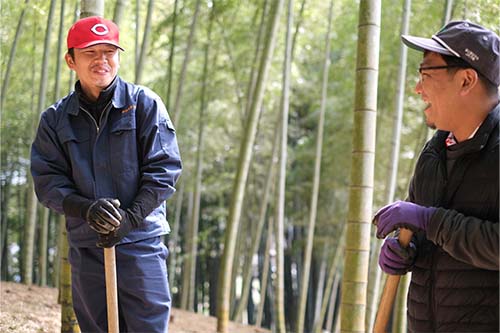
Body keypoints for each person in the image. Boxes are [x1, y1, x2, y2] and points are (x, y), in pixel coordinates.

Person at [31, 16, 182, 332]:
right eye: (90, 52)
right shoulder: (56, 120)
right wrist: (85, 209)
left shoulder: (144, 105)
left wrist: (129, 219)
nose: (102, 60)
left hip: (141, 242)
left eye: (109, 52)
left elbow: (164, 171)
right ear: (71, 60)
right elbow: (47, 182)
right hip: (87, 245)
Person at [373, 21, 499, 332]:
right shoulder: (434, 153)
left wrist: (430, 221)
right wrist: (408, 250)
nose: (417, 88)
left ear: (466, 80)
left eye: (426, 75)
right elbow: (423, 231)